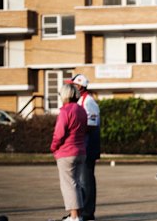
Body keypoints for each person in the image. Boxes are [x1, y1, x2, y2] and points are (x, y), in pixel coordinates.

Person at [65, 74, 100, 221]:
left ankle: (87, 213)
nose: (70, 87)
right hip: (81, 145)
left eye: (73, 85)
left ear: (79, 86)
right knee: (79, 180)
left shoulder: (89, 101)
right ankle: (78, 212)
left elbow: (91, 125)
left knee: (86, 180)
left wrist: (74, 130)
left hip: (88, 146)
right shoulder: (80, 100)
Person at [51, 84, 88, 221]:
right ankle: (77, 215)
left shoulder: (65, 112)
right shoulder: (82, 110)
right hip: (81, 151)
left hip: (67, 152)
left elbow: (59, 134)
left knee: (68, 185)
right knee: (76, 184)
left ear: (65, 95)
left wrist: (53, 147)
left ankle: (74, 217)